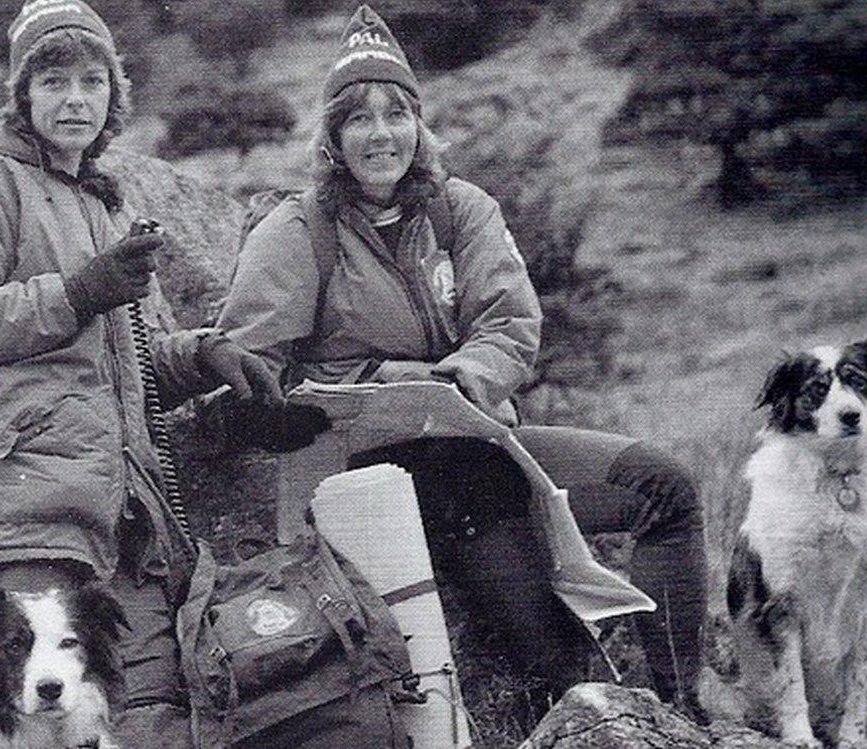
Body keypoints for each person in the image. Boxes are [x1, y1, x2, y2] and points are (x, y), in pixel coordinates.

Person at [216, 4, 708, 727]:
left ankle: (678, 708)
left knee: (665, 487)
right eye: (358, 118)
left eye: (396, 114)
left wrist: (459, 379)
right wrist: (365, 386)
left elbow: (509, 324)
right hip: (373, 475)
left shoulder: (460, 209)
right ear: (332, 137)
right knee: (555, 669)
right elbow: (250, 367)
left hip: (481, 442)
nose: (381, 134)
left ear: (419, 123)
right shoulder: (296, 232)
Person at [0, 1, 324, 744]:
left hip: (111, 520)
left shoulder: (95, 202)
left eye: (92, 81)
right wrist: (79, 291)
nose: (74, 98)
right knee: (21, 731)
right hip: (17, 513)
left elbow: (121, 363)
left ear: (113, 97)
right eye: (53, 79)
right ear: (22, 95)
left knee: (147, 720)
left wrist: (202, 355)